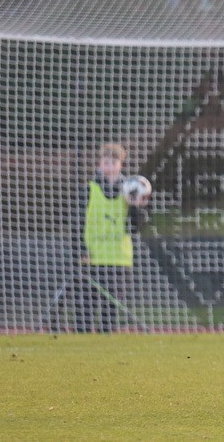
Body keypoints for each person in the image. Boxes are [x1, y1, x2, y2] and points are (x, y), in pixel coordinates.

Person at [75, 143, 149, 333]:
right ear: (99, 164)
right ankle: (82, 336)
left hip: (118, 258)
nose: (109, 166)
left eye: (113, 162)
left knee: (111, 306)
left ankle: (107, 335)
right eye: (105, 162)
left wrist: (137, 207)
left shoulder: (129, 191)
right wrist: (80, 249)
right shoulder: (89, 189)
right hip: (93, 257)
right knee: (86, 304)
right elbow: (77, 222)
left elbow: (135, 227)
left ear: (120, 165)